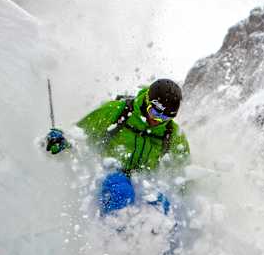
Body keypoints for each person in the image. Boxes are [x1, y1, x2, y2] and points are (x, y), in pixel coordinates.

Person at [45, 78, 190, 218]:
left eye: (164, 118)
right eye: (154, 112)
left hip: (143, 180)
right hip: (109, 173)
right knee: (121, 192)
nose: (156, 120)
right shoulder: (117, 111)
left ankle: (156, 241)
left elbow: (182, 170)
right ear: (146, 101)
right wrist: (62, 139)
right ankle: (112, 237)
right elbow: (80, 134)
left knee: (163, 208)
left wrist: (184, 191)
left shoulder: (171, 134)